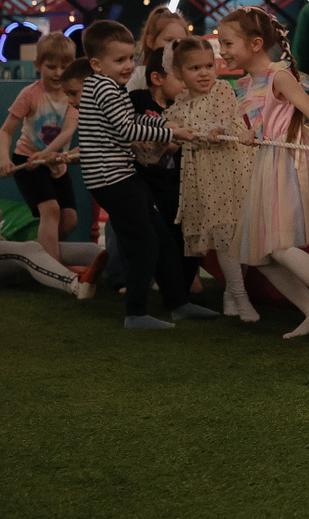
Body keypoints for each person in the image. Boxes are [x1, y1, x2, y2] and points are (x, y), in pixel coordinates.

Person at [220, 6, 309, 343]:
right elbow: (262, 124)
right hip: (268, 161)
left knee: (279, 246)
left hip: (289, 161)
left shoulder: (278, 77)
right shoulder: (247, 83)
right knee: (261, 254)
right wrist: (251, 135)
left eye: (227, 43)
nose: (222, 51)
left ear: (255, 43)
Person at [75, 19, 221, 330]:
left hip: (121, 176)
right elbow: (127, 129)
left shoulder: (107, 87)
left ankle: (177, 302)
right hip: (113, 179)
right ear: (97, 64)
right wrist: (171, 131)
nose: (128, 65)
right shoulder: (105, 88)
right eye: (120, 60)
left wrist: (167, 125)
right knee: (146, 243)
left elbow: (131, 121)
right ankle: (136, 312)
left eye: (130, 58)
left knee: (162, 239)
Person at [163, 37, 260, 321]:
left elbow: (222, 121)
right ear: (179, 73)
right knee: (224, 236)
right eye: (195, 68)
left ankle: (232, 294)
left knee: (240, 234)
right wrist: (165, 135)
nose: (204, 73)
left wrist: (196, 133)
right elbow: (170, 137)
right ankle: (239, 296)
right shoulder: (178, 107)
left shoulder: (221, 89)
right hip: (204, 178)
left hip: (235, 169)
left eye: (208, 66)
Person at [0, 32, 81, 262]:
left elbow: (68, 131)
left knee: (69, 220)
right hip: (28, 160)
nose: (58, 73)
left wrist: (49, 155)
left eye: (65, 66)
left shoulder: (73, 95)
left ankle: (39, 254)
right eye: (51, 66)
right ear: (38, 65)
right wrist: (3, 159)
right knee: (50, 209)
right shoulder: (30, 94)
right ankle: (51, 266)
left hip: (56, 162)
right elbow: (5, 131)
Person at [130, 45, 205, 298]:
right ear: (157, 78)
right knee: (151, 235)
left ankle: (180, 289)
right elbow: (131, 132)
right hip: (144, 180)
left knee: (181, 236)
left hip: (176, 183)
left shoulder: (185, 107)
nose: (185, 84)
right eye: (179, 77)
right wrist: (168, 138)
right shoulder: (138, 100)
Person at [128, 7, 190, 92]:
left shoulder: (191, 74)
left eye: (181, 41)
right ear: (150, 42)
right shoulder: (141, 75)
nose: (176, 46)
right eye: (169, 40)